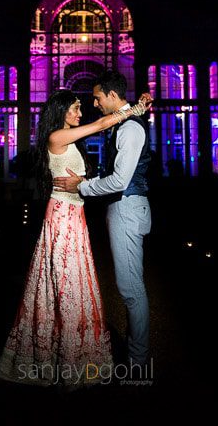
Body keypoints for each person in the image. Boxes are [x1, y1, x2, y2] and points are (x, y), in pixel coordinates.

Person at [0, 89, 152, 390]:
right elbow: (102, 125)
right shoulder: (56, 137)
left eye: (82, 107)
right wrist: (134, 108)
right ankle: (65, 361)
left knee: (75, 285)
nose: (82, 113)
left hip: (74, 216)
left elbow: (103, 132)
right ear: (62, 111)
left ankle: (75, 357)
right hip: (62, 217)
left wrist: (139, 109)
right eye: (76, 108)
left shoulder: (70, 137)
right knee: (64, 286)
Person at [53, 71, 154, 375]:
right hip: (125, 208)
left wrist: (82, 186)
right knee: (131, 287)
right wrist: (135, 107)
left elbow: (121, 180)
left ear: (111, 95)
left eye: (97, 97)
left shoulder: (130, 130)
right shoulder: (125, 122)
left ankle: (138, 362)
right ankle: (138, 355)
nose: (94, 103)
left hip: (127, 207)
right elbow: (107, 122)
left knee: (131, 289)